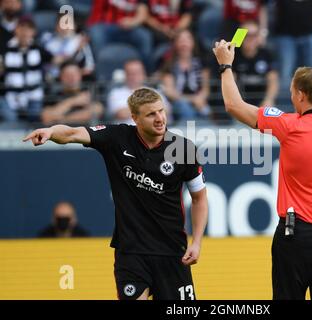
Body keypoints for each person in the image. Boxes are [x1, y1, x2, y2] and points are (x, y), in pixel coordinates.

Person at [212, 40, 312, 300]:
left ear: (300, 95)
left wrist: (225, 65)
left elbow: (234, 106)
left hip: (295, 235)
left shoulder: (289, 125)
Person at [23, 87, 208, 300]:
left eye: (161, 111)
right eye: (151, 114)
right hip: (131, 252)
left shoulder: (183, 149)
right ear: (135, 118)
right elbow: (74, 133)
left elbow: (199, 198)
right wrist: (51, 132)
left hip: (172, 252)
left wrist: (197, 242)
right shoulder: (117, 138)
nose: (160, 118)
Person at [0, 16, 52, 123]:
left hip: (34, 96)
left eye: (28, 28)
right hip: (11, 97)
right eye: (21, 27)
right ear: (16, 29)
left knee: (35, 121)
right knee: (11, 121)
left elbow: (55, 60)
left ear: (33, 32)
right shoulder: (5, 49)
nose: (24, 32)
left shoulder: (38, 48)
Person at [161, 29, 211, 123]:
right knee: (184, 107)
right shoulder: (169, 65)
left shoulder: (202, 63)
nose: (184, 43)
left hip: (199, 101)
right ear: (175, 44)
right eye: (180, 40)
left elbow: (206, 89)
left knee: (205, 109)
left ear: (193, 43)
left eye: (187, 39)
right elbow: (170, 92)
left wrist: (200, 99)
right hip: (178, 103)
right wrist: (192, 99)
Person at [107, 59, 172, 125]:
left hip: (152, 132)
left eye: (137, 73)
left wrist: (135, 110)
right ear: (125, 75)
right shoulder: (116, 93)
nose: (134, 76)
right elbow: (121, 114)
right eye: (130, 73)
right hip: (126, 132)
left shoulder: (154, 91)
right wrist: (151, 109)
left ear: (143, 74)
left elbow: (166, 110)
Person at [41, 61, 103, 126]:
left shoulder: (88, 93)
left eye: (75, 74)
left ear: (80, 75)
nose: (72, 78)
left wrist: (62, 120)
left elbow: (97, 110)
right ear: (61, 77)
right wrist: (73, 101)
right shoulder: (53, 96)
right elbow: (47, 118)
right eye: (67, 75)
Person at [233, 20, 279, 107]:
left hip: (263, 104)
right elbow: (231, 81)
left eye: (254, 35)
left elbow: (273, 81)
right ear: (240, 36)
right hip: (241, 104)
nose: (251, 38)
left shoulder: (267, 54)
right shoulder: (234, 55)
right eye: (246, 35)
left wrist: (268, 100)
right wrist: (239, 103)